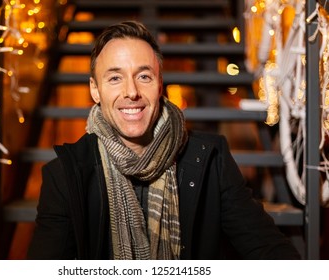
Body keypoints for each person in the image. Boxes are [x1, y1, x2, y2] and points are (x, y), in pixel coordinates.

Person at [27, 21, 301, 260]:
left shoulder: (209, 158)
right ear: (95, 90)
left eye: (143, 76)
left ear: (159, 85)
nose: (131, 92)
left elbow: (266, 247)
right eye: (114, 78)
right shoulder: (66, 172)